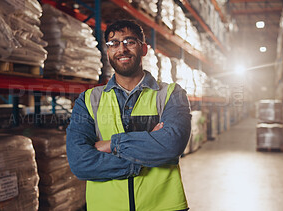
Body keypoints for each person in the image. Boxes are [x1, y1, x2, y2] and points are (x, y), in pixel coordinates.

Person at [66, 19, 191, 211]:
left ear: (144, 49)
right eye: (113, 43)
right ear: (107, 52)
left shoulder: (171, 94)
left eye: (130, 42)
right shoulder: (89, 100)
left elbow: (171, 145)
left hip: (162, 206)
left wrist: (111, 145)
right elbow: (80, 162)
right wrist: (143, 159)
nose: (121, 49)